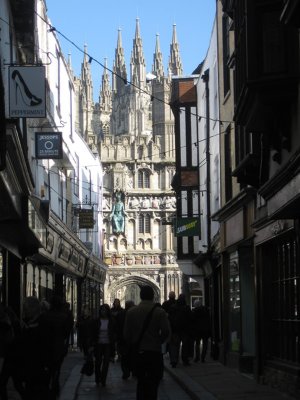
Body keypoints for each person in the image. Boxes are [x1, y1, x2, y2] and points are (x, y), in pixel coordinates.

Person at [123, 285, 170, 400]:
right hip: (154, 352)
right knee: (153, 383)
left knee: (141, 382)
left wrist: (133, 344)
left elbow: (126, 335)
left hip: (138, 352)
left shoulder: (131, 312)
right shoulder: (160, 312)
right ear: (153, 296)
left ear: (140, 296)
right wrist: (158, 341)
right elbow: (166, 331)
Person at [92, 304, 116, 387]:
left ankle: (103, 380)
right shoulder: (96, 321)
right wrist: (91, 345)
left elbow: (113, 334)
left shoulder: (111, 321)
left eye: (105, 310)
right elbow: (93, 333)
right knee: (98, 362)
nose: (103, 312)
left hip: (107, 344)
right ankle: (97, 378)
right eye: (102, 310)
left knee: (106, 363)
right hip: (98, 344)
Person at [168, 293, 193, 367]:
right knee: (185, 346)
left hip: (175, 329)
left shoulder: (172, 307)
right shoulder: (187, 307)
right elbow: (191, 318)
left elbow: (169, 318)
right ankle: (185, 360)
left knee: (175, 346)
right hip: (184, 330)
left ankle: (174, 361)